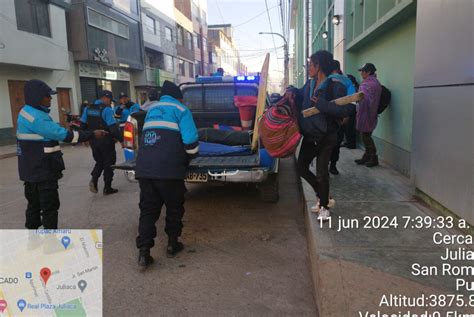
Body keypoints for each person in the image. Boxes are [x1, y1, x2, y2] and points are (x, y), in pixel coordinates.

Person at [16, 79, 107, 229]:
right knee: (49, 208)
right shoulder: (37, 118)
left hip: (31, 171)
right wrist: (92, 134)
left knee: (33, 206)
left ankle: (32, 243)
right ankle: (51, 246)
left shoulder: (26, 112)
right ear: (37, 97)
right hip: (43, 172)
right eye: (47, 95)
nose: (51, 98)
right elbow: (65, 135)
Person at [134, 80, 199, 269]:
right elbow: (191, 143)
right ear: (179, 97)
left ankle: (144, 254)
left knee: (148, 211)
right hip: (170, 170)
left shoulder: (151, 111)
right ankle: (172, 244)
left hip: (145, 169)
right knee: (174, 207)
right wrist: (190, 158)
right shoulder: (181, 110)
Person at [296, 51, 356, 221]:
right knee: (301, 167)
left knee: (322, 171)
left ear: (318, 66)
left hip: (327, 135)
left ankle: (324, 206)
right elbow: (300, 95)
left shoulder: (335, 85)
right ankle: (324, 195)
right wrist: (292, 91)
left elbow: (348, 110)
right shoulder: (310, 84)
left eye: (311, 65)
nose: (309, 68)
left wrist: (323, 105)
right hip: (310, 134)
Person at [80, 90, 123, 195]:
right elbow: (113, 128)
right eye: (110, 101)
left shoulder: (88, 108)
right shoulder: (107, 110)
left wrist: (84, 138)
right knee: (109, 162)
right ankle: (107, 188)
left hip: (93, 140)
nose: (111, 103)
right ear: (105, 98)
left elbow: (82, 125)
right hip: (106, 141)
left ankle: (94, 180)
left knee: (99, 161)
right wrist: (122, 140)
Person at [328, 60, 356, 175]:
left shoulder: (327, 79)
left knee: (329, 143)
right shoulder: (346, 81)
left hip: (331, 117)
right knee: (336, 143)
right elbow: (352, 100)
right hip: (339, 117)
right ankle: (332, 165)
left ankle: (330, 165)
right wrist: (347, 115)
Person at [355, 63, 382, 167]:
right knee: (366, 135)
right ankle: (367, 156)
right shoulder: (375, 82)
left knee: (366, 136)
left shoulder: (368, 84)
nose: (361, 73)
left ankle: (373, 157)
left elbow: (364, 99)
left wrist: (356, 99)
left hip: (366, 113)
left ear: (368, 72)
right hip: (371, 113)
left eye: (363, 71)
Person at [341, 74, 359, 149]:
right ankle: (347, 142)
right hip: (347, 109)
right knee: (346, 127)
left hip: (351, 110)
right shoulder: (349, 87)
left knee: (350, 127)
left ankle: (351, 144)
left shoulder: (354, 88)